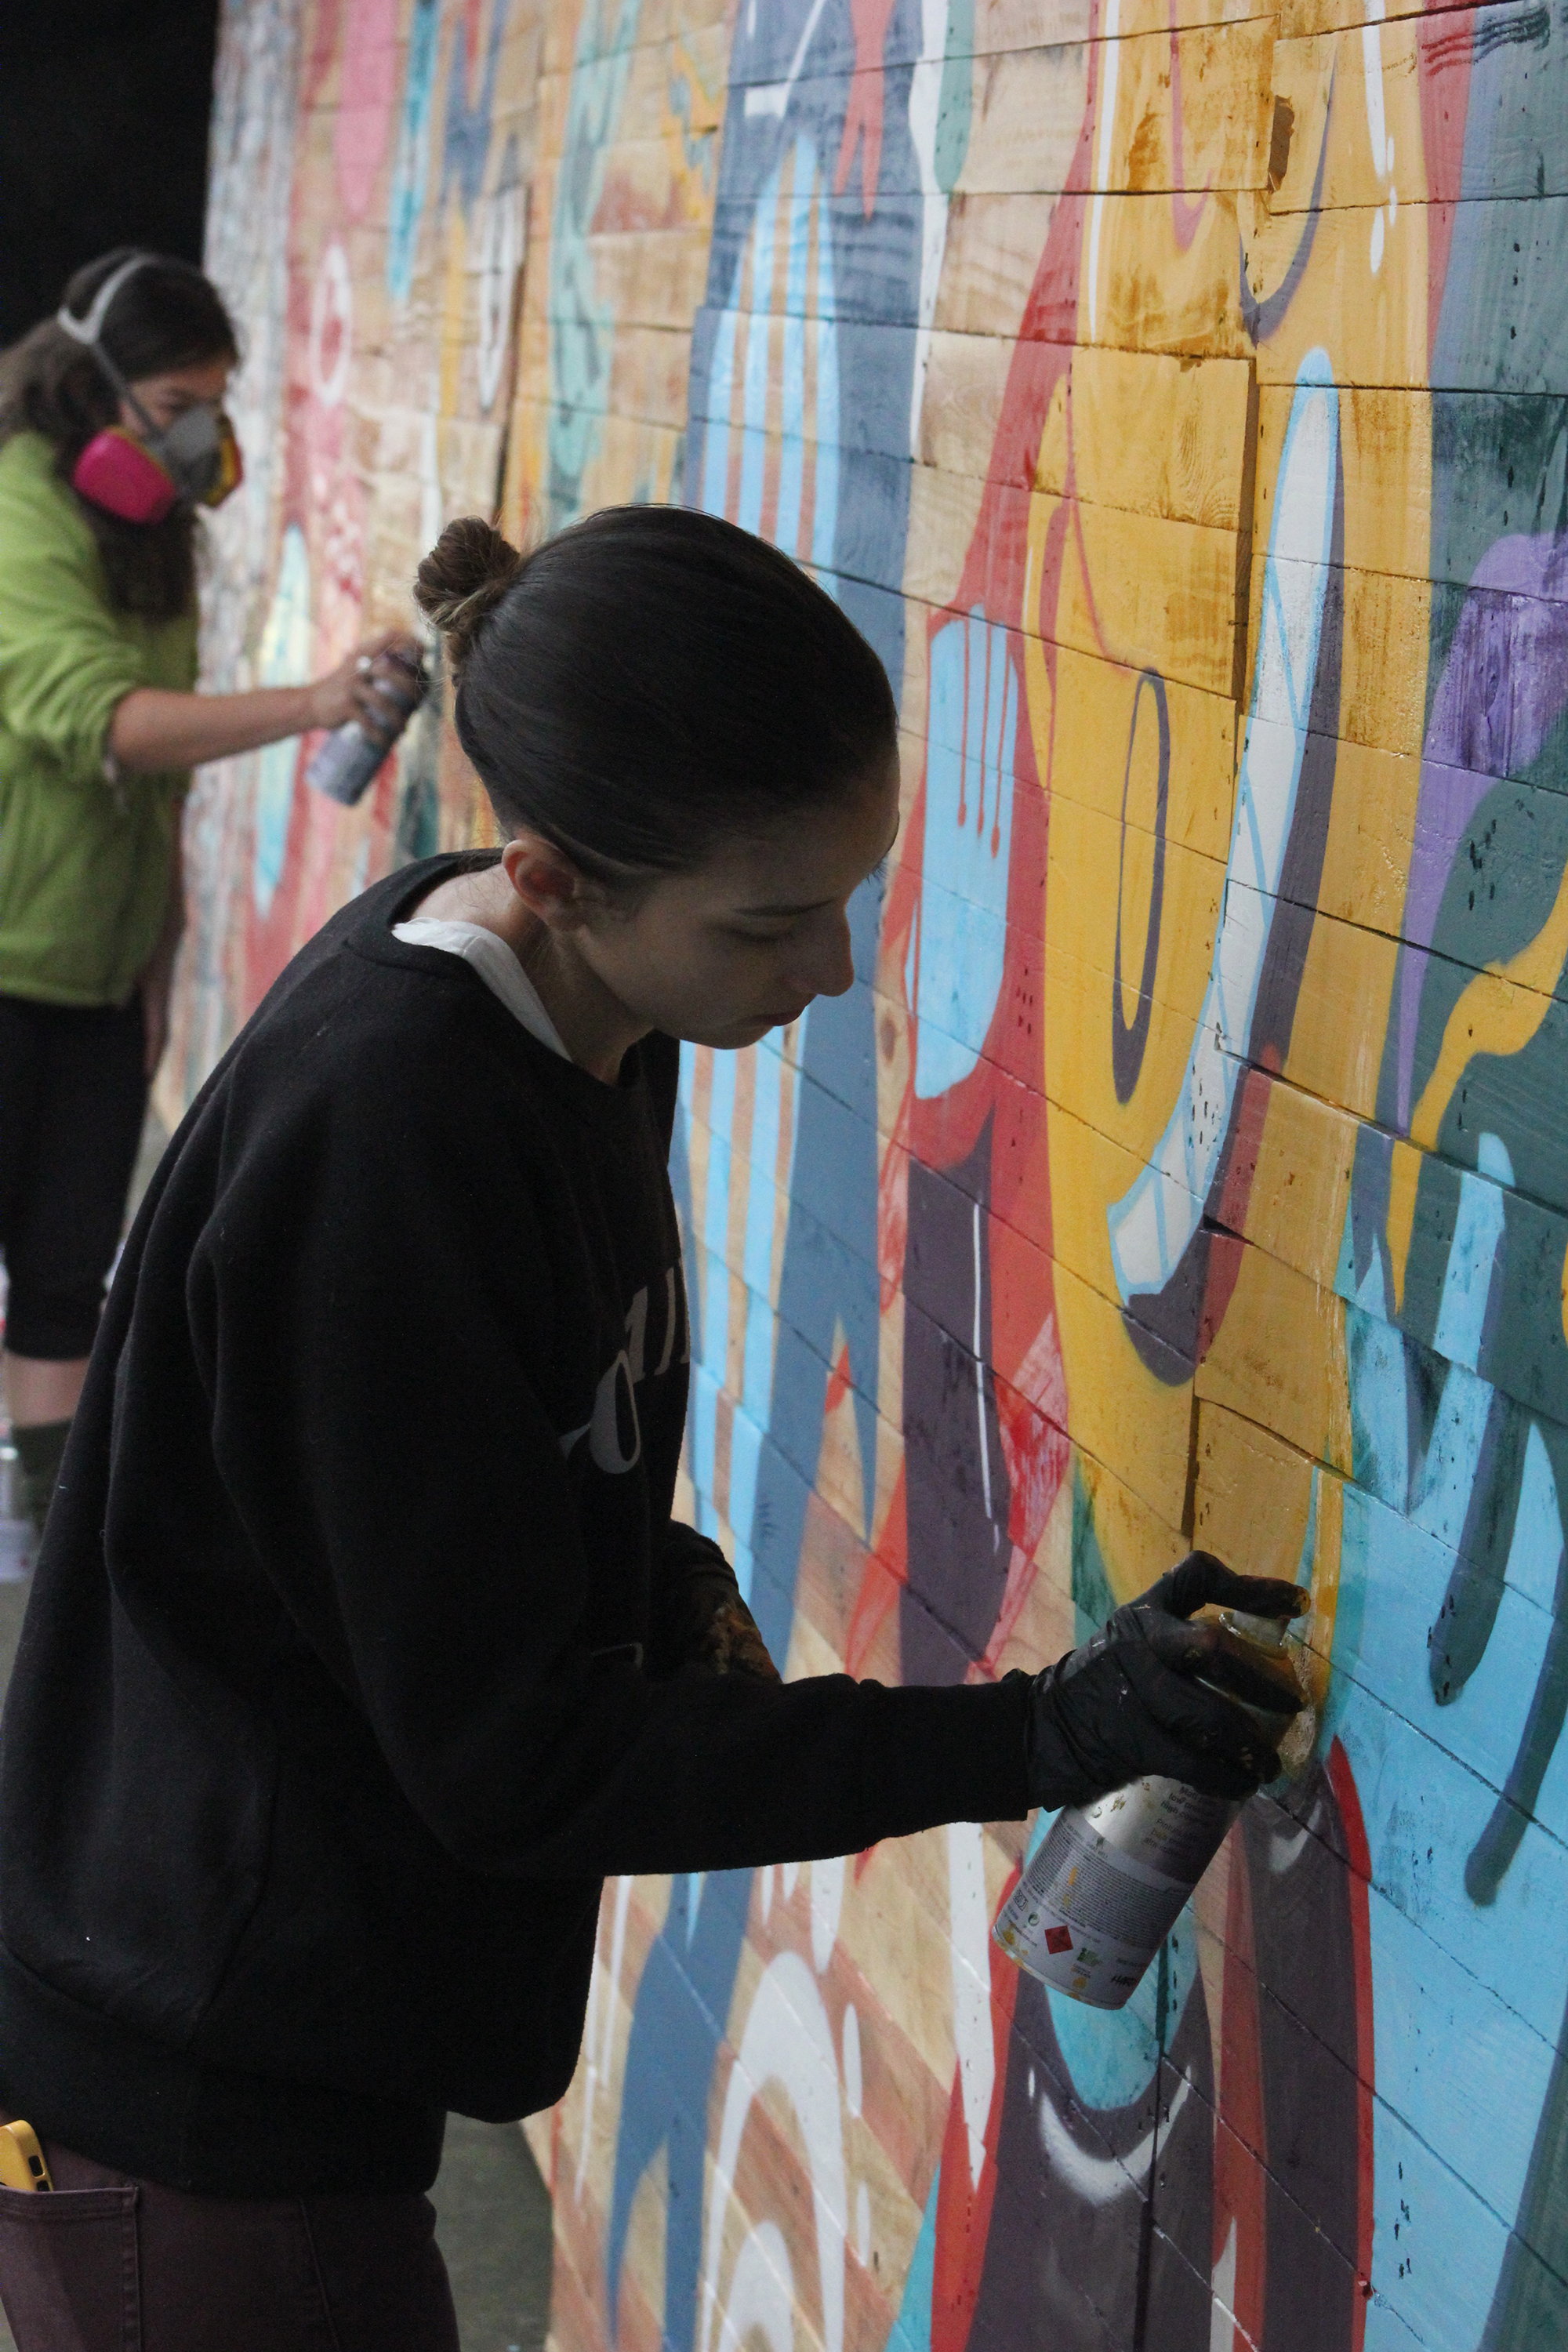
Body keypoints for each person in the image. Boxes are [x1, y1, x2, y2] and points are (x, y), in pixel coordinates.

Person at [0, 505, 1305, 2351]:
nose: (835, 971)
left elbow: (463, 1480)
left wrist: (648, 1572)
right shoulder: (397, 1133)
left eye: (849, 894)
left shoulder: (586, 1016)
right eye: (772, 922)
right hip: (200, 2119)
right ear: (547, 872)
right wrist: (1038, 1733)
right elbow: (517, 1762)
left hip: (281, 2052)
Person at [0, 247, 414, 1537]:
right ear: (99, 388)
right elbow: (103, 723)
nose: (201, 437)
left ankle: (48, 1541)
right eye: (179, 404)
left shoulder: (150, 533)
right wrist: (311, 704)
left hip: (101, 970)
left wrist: (161, 952)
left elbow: (154, 791)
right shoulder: (20, 506)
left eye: (214, 402)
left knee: (71, 1270)